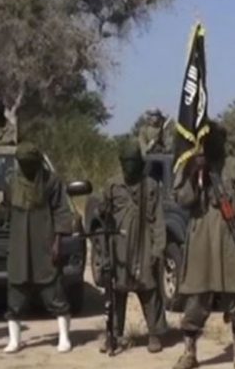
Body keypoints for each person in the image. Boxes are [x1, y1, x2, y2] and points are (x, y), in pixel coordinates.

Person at [172, 122, 235, 369]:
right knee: (196, 298)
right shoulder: (191, 165)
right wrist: (193, 173)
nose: (213, 144)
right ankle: (189, 353)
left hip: (231, 238)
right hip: (201, 237)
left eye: (217, 139)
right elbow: (182, 199)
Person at [1, 142, 74, 353]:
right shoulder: (11, 182)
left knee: (54, 291)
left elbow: (62, 212)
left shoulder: (51, 181)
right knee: (15, 293)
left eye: (30, 164)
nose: (26, 167)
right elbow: (6, 209)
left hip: (44, 243)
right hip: (19, 245)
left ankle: (64, 337)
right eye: (23, 164)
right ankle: (14, 340)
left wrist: (58, 242)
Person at [96, 141, 168, 353]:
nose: (129, 166)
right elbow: (104, 219)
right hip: (119, 247)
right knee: (117, 293)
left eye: (133, 162)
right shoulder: (112, 186)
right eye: (126, 162)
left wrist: (158, 248)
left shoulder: (151, 186)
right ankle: (114, 335)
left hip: (144, 244)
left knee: (149, 291)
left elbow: (158, 221)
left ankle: (154, 333)